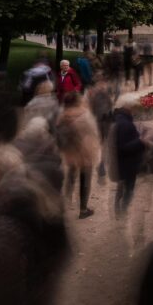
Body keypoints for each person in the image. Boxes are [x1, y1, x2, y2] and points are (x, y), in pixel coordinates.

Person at [55, 90, 99, 218]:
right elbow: (93, 132)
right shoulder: (84, 115)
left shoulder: (62, 116)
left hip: (70, 151)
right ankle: (83, 209)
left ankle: (66, 203)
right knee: (85, 179)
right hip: (85, 151)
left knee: (71, 175)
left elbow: (57, 135)